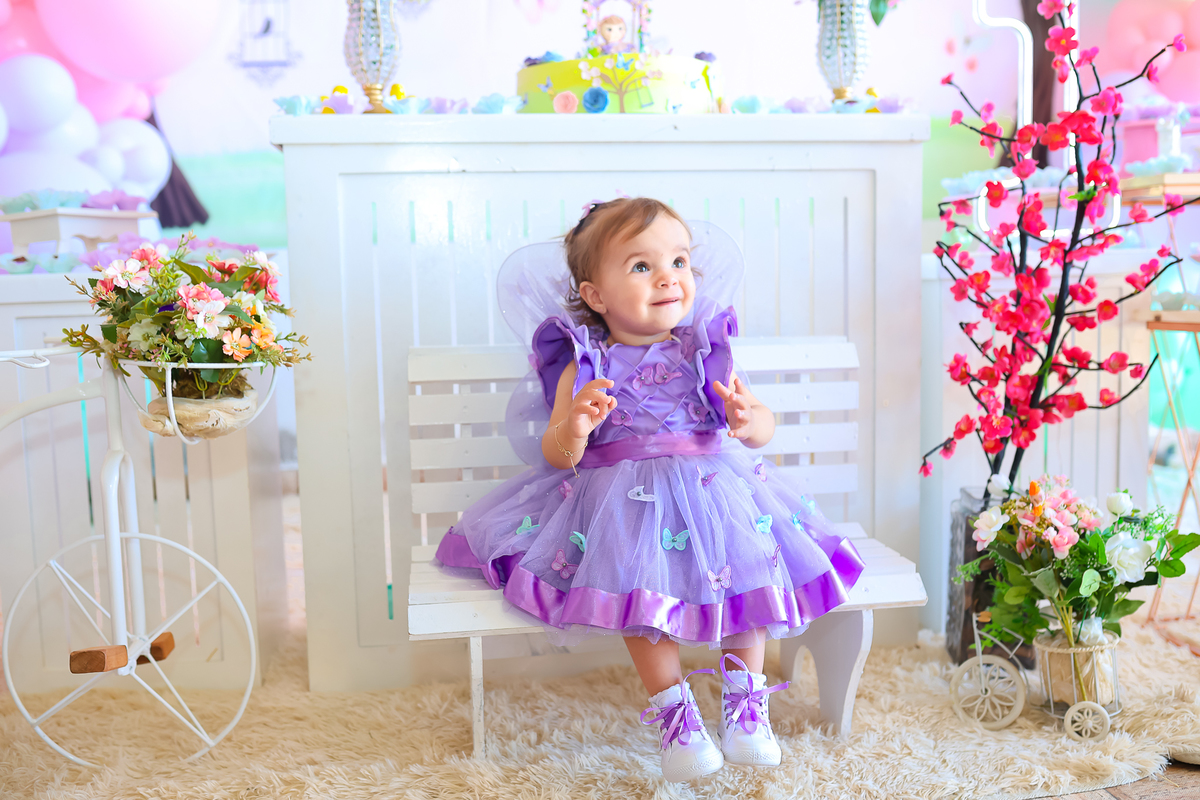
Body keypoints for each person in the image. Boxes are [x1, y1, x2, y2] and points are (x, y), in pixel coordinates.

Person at [435, 197, 865, 781]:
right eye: (642, 266)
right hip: (623, 501)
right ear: (596, 296)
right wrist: (576, 426)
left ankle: (745, 706)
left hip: (716, 489)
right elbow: (557, 454)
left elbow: (761, 423)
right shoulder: (586, 362)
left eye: (680, 261)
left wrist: (748, 420)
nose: (668, 277)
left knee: (750, 567)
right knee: (638, 588)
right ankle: (676, 716)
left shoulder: (706, 350)